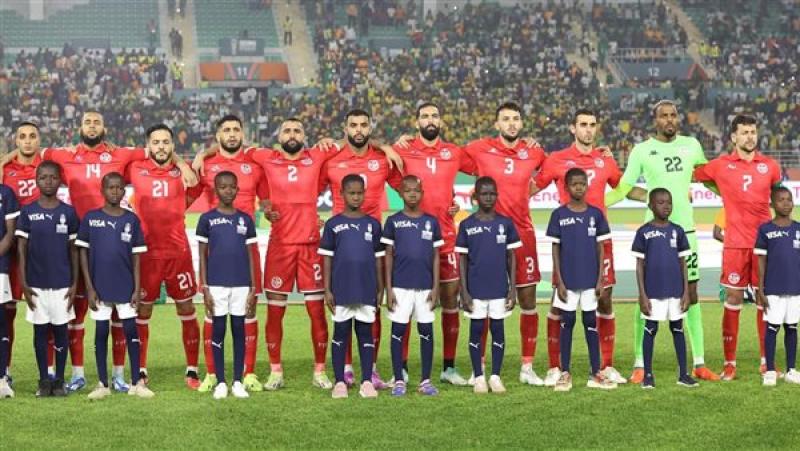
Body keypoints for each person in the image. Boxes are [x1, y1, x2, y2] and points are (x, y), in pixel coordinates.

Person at [0, 111, 195, 393]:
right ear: (79, 127)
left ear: (104, 128)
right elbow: (29, 149)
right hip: (74, 243)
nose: (92, 126)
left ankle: (118, 374)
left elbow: (158, 148)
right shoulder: (63, 155)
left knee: (116, 313)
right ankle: (75, 374)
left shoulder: (121, 154)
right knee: (74, 312)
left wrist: (183, 163)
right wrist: (4, 160)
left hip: (111, 244)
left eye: (97, 122)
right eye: (87, 122)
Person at [606, 100, 717, 383]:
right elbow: (624, 187)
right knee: (646, 297)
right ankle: (640, 364)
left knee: (692, 296)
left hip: (686, 232)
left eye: (673, 115)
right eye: (663, 116)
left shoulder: (692, 145)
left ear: (678, 118)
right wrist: (597, 203)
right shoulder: (642, 150)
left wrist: (735, 193)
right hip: (654, 236)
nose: (669, 120)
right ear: (655, 120)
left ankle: (699, 363)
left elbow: (708, 179)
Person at [532, 109, 628, 386]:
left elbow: (622, 186)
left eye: (592, 125)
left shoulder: (604, 160)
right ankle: (555, 367)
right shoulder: (557, 159)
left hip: (600, 240)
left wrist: (655, 193)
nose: (588, 129)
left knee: (605, 299)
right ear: (572, 128)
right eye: (583, 124)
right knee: (559, 302)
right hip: (569, 243)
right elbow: (532, 187)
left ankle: (605, 366)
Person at [390, 102, 477, 386]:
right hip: (410, 240)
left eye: (435, 116)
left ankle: (448, 368)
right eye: (425, 116)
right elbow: (376, 157)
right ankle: (402, 368)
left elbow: (484, 165)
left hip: (447, 238)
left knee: (450, 302)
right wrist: (388, 146)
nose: (430, 120)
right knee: (405, 305)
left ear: (441, 121)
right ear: (416, 123)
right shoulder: (403, 149)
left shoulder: (453, 152)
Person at [462, 102, 545, 386]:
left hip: (523, 234)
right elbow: (447, 161)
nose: (511, 123)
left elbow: (553, 169)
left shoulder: (534, 151)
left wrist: (534, 187)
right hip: (487, 236)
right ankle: (480, 368)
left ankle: (527, 367)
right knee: (485, 302)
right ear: (496, 124)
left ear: (521, 123)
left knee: (528, 301)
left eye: (516, 119)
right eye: (506, 119)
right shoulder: (479, 148)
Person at [693, 114, 782, 380]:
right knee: (732, 300)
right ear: (733, 137)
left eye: (753, 132)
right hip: (735, 245)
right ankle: (729, 364)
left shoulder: (770, 166)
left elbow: (780, 199)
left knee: (764, 300)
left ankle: (766, 362)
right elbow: (692, 171)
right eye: (744, 132)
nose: (750, 137)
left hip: (764, 246)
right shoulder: (720, 165)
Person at [319, 109, 402, 389]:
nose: (358, 129)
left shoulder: (382, 160)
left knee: (372, 307)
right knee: (342, 311)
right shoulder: (331, 159)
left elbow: (407, 188)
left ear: (370, 128)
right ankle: (344, 369)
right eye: (353, 125)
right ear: (345, 128)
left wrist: (387, 147)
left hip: (372, 243)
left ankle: (371, 369)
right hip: (341, 246)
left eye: (363, 125)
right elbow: (308, 190)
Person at [194, 114, 268, 393]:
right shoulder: (205, 165)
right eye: (226, 130)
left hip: (246, 251)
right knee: (213, 316)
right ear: (218, 135)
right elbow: (187, 194)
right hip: (217, 257)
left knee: (248, 313)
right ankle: (213, 374)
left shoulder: (255, 163)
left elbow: (267, 200)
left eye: (237, 129)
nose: (232, 134)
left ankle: (247, 373)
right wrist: (200, 156)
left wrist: (271, 211)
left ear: (243, 133)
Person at [126, 124, 202, 389]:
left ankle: (192, 369)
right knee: (143, 310)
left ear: (172, 145)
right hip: (145, 254)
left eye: (165, 142)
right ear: (148, 145)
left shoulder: (184, 173)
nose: (161, 146)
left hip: (178, 253)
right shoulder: (135, 167)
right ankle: (140, 369)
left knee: (187, 308)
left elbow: (195, 188)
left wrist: (181, 164)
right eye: (156, 142)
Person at [76, 172, 153, 400]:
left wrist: (136, 288)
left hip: (126, 286)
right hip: (99, 287)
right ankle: (102, 384)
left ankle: (136, 383)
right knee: (101, 332)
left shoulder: (131, 220)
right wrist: (89, 287)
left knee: (131, 331)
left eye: (120, 188)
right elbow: (82, 253)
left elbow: (137, 257)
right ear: (102, 190)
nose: (115, 191)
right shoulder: (91, 218)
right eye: (111, 187)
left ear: (124, 191)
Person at [546, 168, 616, 392]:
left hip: (590, 281)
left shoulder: (596, 215)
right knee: (566, 323)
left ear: (587, 186)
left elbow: (601, 248)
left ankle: (595, 373)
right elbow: (555, 249)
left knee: (590, 323)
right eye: (574, 184)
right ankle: (565, 372)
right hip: (567, 282)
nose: (579, 187)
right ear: (566, 187)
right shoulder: (559, 215)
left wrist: (600, 279)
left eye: (582, 183)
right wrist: (559, 281)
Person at [15, 162, 78, 397]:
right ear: (36, 181)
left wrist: (75, 283)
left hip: (63, 284)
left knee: (62, 332)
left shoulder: (68, 212)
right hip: (36, 285)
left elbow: (74, 250)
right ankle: (43, 380)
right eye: (43, 177)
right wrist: (24, 282)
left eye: (53, 177)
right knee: (40, 333)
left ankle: (59, 380)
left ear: (60, 180)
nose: (48, 181)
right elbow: (21, 249)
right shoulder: (28, 211)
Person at [319, 174, 385, 399]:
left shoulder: (373, 225)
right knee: (341, 333)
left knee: (365, 334)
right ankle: (339, 382)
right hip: (341, 289)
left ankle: (366, 381)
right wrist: (327, 289)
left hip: (366, 288)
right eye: (351, 193)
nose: (356, 197)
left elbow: (379, 259)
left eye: (359, 193)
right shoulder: (333, 225)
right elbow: (327, 259)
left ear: (365, 194)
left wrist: (381, 288)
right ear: (342, 194)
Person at [196, 171, 258, 399]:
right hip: (216, 285)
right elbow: (202, 255)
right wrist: (204, 287)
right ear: (216, 190)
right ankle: (221, 381)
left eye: (232, 186)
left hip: (241, 284)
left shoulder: (245, 219)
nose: (228, 191)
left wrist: (253, 287)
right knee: (219, 330)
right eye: (223, 187)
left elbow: (251, 255)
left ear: (238, 189)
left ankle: (238, 381)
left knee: (239, 331)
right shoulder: (207, 219)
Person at [456, 176, 519, 394]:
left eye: (492, 194)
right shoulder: (467, 225)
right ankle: (479, 377)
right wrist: (464, 291)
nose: (489, 198)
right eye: (484, 194)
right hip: (475, 290)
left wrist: (513, 289)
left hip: (499, 289)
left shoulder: (505, 224)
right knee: (476, 330)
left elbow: (511, 258)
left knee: (498, 330)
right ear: (475, 196)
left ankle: (495, 376)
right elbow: (462, 261)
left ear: (497, 196)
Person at [632, 188, 698, 389]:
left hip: (676, 291)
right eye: (660, 202)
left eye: (669, 202)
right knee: (650, 329)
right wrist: (642, 295)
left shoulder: (677, 231)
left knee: (678, 328)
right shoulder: (644, 232)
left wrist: (685, 292)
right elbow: (639, 266)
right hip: (653, 292)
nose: (666, 206)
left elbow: (683, 263)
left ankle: (683, 374)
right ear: (651, 206)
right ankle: (648, 375)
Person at [382, 176, 442, 397]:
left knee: (426, 332)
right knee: (398, 331)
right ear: (400, 193)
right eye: (408, 191)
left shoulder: (431, 222)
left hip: (425, 287)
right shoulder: (393, 221)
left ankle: (425, 380)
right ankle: (399, 379)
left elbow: (436, 256)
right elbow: (388, 256)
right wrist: (389, 289)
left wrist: (435, 287)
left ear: (422, 193)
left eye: (416, 190)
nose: (412, 194)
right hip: (400, 287)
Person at [2, 121, 43, 385]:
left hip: (42, 250)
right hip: (11, 250)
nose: (27, 141)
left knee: (46, 311)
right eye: (22, 137)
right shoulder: (5, 170)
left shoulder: (51, 166)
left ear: (39, 140)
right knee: (6, 313)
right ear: (16, 141)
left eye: (32, 136)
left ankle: (48, 371)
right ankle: (4, 369)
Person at [754, 187, 800, 386]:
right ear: (772, 204)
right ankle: (771, 371)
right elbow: (761, 261)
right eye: (781, 200)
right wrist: (760, 288)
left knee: (792, 327)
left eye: (789, 199)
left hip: (795, 288)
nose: (786, 203)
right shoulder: (765, 230)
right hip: (773, 288)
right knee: (772, 328)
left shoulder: (798, 228)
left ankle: (791, 370)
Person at [0, 181, 19, 398]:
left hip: (0, 267)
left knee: (1, 322)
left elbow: (10, 232)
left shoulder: (6, 193)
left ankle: (2, 377)